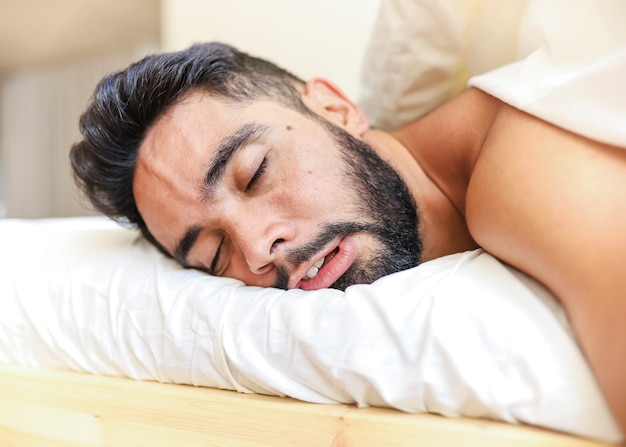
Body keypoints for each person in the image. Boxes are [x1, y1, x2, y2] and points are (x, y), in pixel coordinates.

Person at [70, 42, 626, 435]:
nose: (259, 249)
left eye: (256, 172)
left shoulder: (517, 165)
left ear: (336, 108)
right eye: (215, 256)